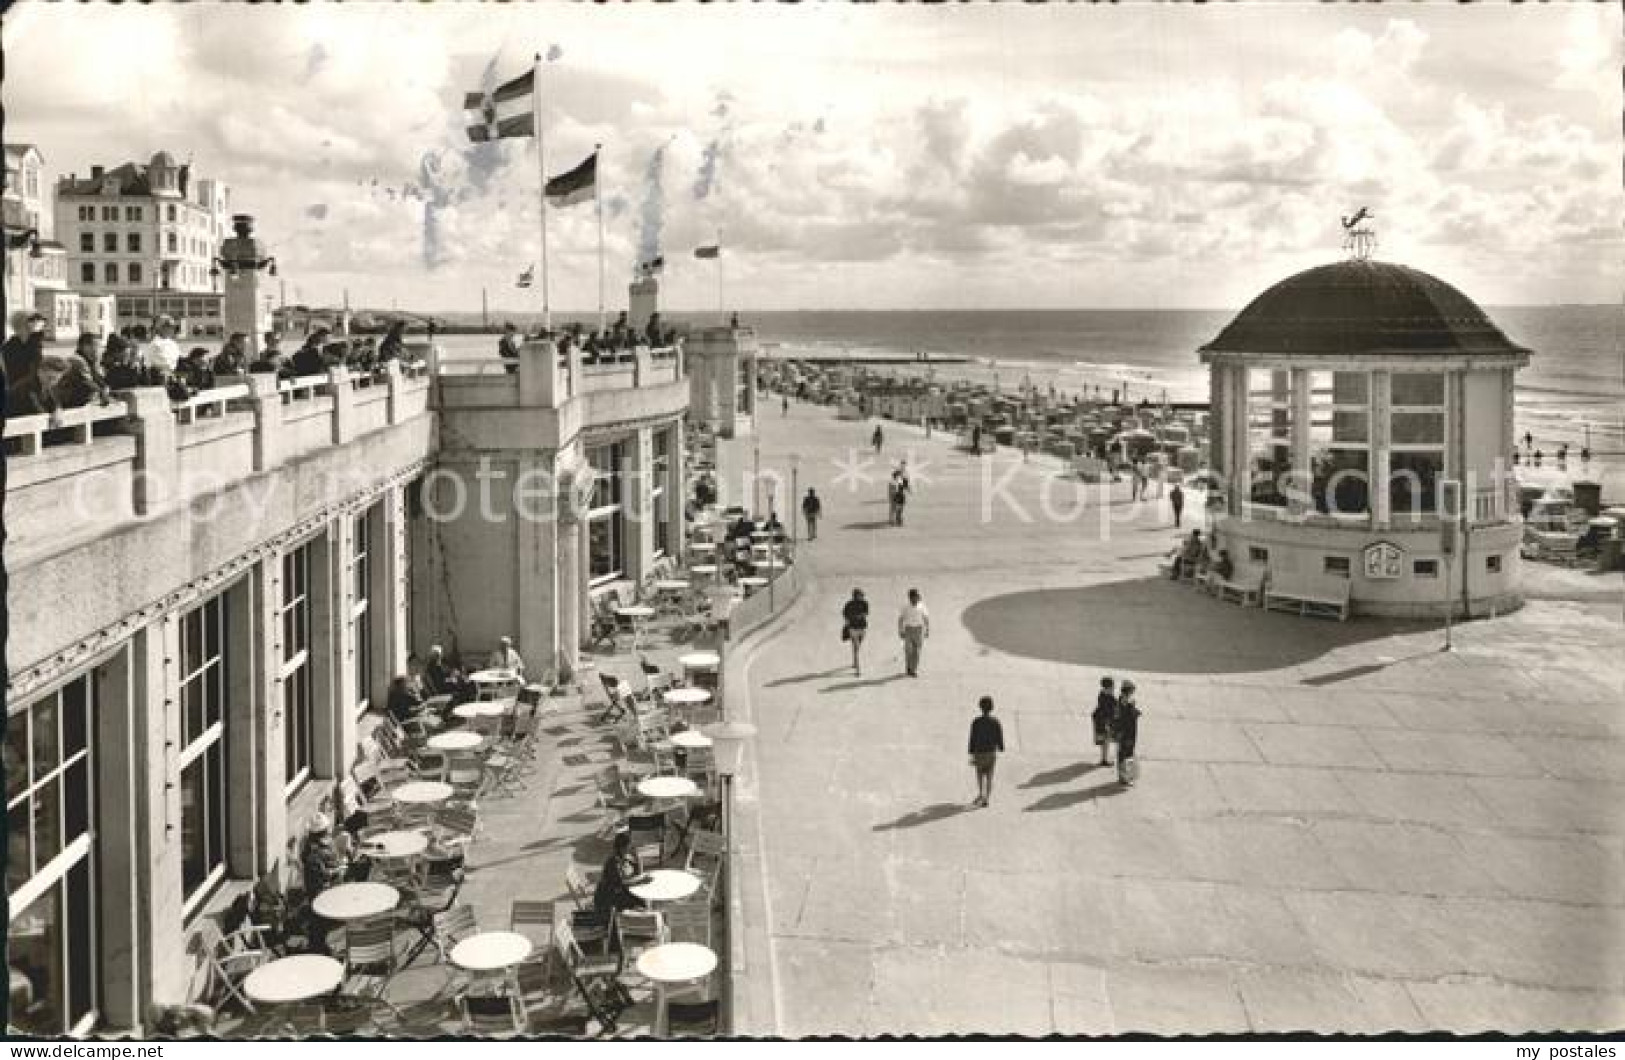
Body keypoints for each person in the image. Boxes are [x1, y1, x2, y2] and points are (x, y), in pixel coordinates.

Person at [2, 312, 56, 416]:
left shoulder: (34, 343)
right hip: (20, 393)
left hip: (34, 389)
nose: (40, 328)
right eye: (34, 323)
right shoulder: (10, 347)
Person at [592, 831, 646, 915]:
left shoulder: (626, 858)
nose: (631, 850)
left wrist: (638, 858)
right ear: (622, 848)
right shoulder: (613, 862)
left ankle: (639, 919)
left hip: (618, 893)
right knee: (640, 901)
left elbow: (638, 874)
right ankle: (634, 921)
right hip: (607, 900)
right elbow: (622, 883)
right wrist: (640, 881)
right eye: (629, 847)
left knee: (641, 900)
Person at [53, 332, 111, 409]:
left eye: (98, 346)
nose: (96, 349)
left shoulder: (90, 363)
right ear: (81, 347)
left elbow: (100, 381)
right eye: (91, 345)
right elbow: (87, 383)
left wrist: (104, 388)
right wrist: (102, 392)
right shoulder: (76, 360)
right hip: (67, 404)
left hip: (76, 404)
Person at [967, 695, 1005, 808]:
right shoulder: (996, 721)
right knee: (989, 776)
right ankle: (986, 799)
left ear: (980, 707)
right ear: (992, 707)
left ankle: (980, 793)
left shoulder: (976, 722)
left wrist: (971, 751)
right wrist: (1001, 747)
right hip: (990, 752)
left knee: (979, 774)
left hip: (979, 752)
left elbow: (972, 738)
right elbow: (999, 736)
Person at [897, 588, 930, 677]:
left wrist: (927, 630)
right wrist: (900, 631)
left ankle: (914, 669)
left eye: (918, 596)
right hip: (908, 629)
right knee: (908, 651)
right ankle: (908, 667)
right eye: (916, 596)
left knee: (917, 651)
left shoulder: (922, 606)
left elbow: (926, 618)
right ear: (911, 597)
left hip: (919, 629)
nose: (918, 598)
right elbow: (900, 619)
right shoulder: (905, 606)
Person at [1116, 680, 1142, 787]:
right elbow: (1129, 716)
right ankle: (1126, 777)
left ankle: (1122, 776)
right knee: (1128, 754)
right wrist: (1134, 710)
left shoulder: (1121, 700)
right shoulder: (1127, 703)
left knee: (1122, 753)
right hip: (1128, 732)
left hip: (1123, 732)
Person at [841, 589, 869, 675]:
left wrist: (860, 616)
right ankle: (858, 669)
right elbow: (844, 614)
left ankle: (854, 660)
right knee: (856, 647)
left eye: (861, 595)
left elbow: (866, 613)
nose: (860, 596)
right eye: (859, 595)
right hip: (853, 628)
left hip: (862, 628)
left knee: (857, 646)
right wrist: (849, 621)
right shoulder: (849, 604)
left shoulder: (865, 603)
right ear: (855, 595)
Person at [1092, 677, 1118, 767]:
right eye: (1112, 687)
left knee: (1104, 741)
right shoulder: (1106, 697)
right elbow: (1109, 711)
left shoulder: (1103, 695)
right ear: (1107, 688)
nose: (1114, 688)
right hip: (1103, 721)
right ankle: (1104, 760)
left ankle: (1104, 758)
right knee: (1105, 740)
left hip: (1100, 719)